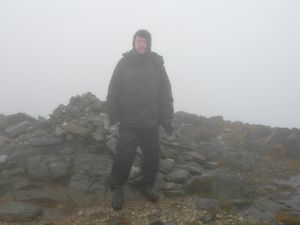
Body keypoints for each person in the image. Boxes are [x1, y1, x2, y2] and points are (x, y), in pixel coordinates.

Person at [106, 29, 174, 210]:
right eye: (138, 41)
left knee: (151, 157)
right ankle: (118, 187)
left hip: (151, 121)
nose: (141, 44)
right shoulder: (124, 63)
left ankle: (146, 184)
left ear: (148, 44)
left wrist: (167, 118)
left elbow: (165, 92)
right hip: (128, 121)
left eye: (144, 42)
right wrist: (114, 116)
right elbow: (113, 91)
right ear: (134, 43)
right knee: (123, 156)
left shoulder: (156, 63)